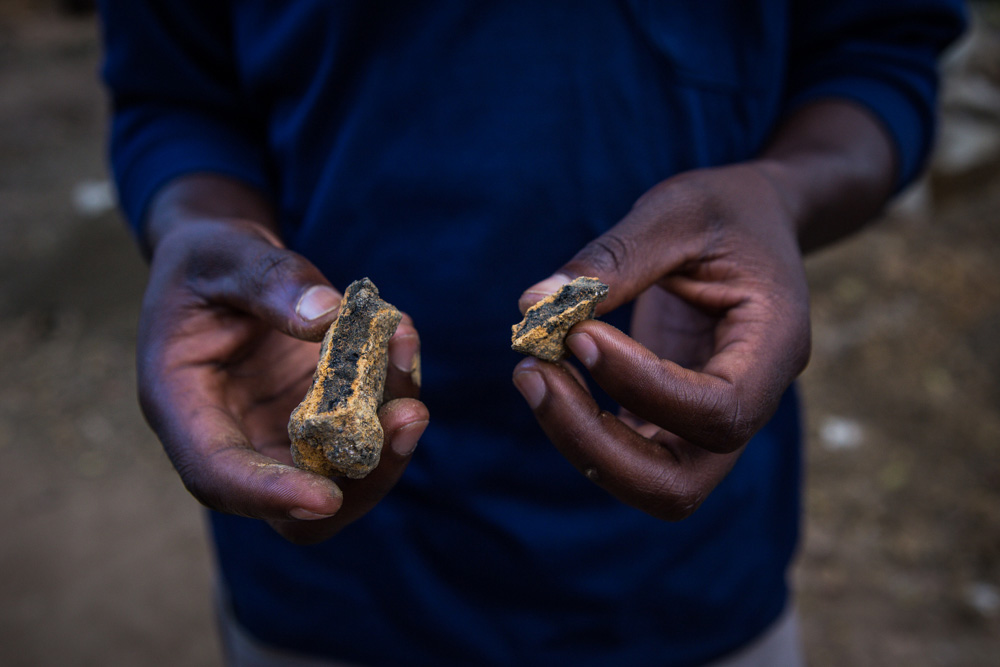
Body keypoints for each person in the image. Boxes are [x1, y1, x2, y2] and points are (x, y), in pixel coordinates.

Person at [98, 2, 965, 665]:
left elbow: (880, 53)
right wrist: (191, 224)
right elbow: (173, 93)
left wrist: (783, 191)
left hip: (681, 572)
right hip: (326, 578)